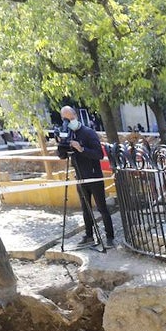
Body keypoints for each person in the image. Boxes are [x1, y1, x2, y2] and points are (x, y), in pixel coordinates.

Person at [57, 105, 115, 247]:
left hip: (94, 177)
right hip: (80, 177)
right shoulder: (66, 133)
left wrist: (81, 148)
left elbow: (99, 154)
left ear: (75, 116)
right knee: (85, 209)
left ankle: (109, 237)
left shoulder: (88, 133)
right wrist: (61, 144)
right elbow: (62, 156)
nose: (69, 121)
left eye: (71, 118)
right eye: (65, 119)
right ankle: (89, 236)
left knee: (102, 208)